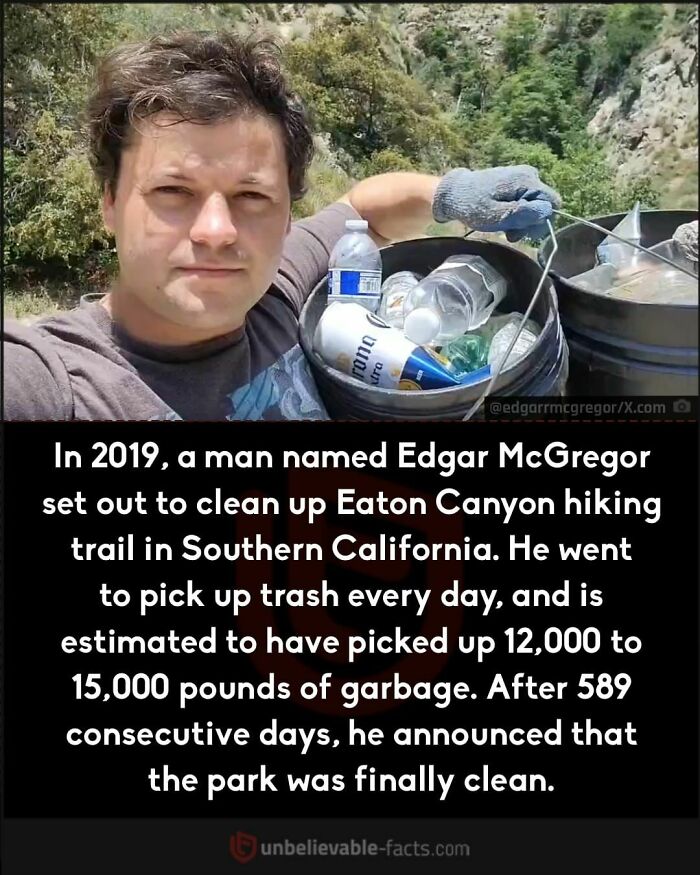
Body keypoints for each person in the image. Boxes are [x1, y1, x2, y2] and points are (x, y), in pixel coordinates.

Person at [3, 31, 560, 421]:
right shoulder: (61, 384)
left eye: (251, 196)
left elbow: (364, 207)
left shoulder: (277, 291)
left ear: (287, 212)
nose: (217, 230)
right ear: (110, 202)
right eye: (174, 192)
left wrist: (452, 195)